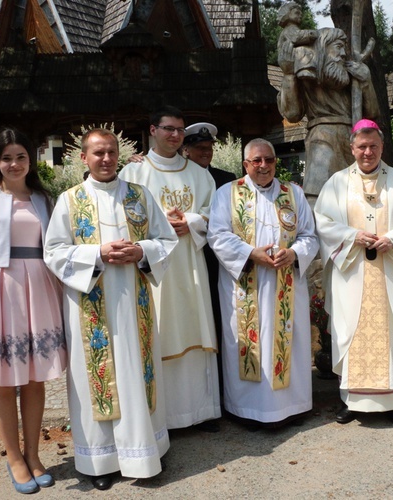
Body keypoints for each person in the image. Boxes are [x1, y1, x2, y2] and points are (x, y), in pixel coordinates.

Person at [45, 128, 176, 489]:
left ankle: (146, 451)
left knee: (137, 371)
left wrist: (142, 252)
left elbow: (166, 240)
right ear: (83, 158)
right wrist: (96, 254)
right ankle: (99, 461)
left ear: (119, 155)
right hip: (90, 305)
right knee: (96, 381)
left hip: (134, 304)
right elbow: (53, 252)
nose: (105, 159)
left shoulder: (139, 195)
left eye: (111, 152)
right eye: (98, 153)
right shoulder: (69, 200)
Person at [0, 129, 67, 494]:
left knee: (35, 378)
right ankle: (14, 458)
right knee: (3, 379)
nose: (15, 164)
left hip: (39, 287)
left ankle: (34, 454)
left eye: (21, 156)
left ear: (30, 160)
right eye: (7, 158)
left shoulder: (42, 199)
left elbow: (56, 249)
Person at [314, 119, 393, 425]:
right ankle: (353, 401)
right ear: (352, 148)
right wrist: (352, 236)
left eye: (373, 146)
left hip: (391, 271)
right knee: (351, 331)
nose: (368, 152)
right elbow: (322, 222)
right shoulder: (337, 182)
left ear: (382, 147)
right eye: (362, 146)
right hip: (353, 273)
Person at [120, 107, 222, 433]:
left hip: (190, 268)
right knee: (160, 333)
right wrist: (162, 223)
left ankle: (201, 411)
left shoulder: (198, 173)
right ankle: (162, 416)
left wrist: (190, 222)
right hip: (154, 270)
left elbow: (216, 215)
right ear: (153, 130)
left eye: (179, 129)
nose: (175, 135)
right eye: (168, 129)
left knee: (195, 329)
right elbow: (120, 217)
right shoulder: (132, 174)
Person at [208, 138, 318, 429]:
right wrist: (250, 254)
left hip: (286, 284)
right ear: (245, 164)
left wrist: (294, 253)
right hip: (245, 285)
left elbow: (310, 236)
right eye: (256, 161)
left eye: (269, 160)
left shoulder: (292, 193)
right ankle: (247, 409)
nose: (263, 166)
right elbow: (217, 235)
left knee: (287, 342)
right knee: (247, 344)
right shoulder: (227, 194)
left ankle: (291, 407)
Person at [278, 27, 380, 197]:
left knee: (358, 196)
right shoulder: (307, 74)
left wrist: (367, 82)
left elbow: (372, 114)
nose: (342, 54)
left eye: (344, 48)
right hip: (322, 139)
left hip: (353, 140)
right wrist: (289, 75)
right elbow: (292, 114)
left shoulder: (351, 76)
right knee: (318, 195)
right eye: (338, 47)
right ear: (323, 47)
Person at [183, 121, 236, 408]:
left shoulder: (226, 178)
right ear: (187, 150)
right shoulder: (181, 176)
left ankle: (224, 386)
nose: (206, 153)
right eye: (200, 148)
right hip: (191, 257)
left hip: (221, 261)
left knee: (221, 320)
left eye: (209, 148)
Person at [277, 2, 318, 80]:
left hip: (289, 57)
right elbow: (297, 37)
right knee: (303, 50)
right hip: (287, 58)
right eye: (297, 13)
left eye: (300, 14)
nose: (300, 15)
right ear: (287, 14)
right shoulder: (289, 29)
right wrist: (310, 34)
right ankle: (304, 70)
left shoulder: (293, 28)